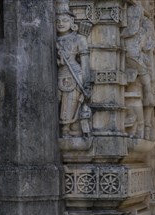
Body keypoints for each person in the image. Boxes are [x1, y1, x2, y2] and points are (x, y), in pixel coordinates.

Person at [56, 4, 91, 136]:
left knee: (70, 103)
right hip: (58, 73)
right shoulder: (52, 40)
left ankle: (67, 129)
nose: (60, 23)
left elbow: (85, 63)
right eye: (57, 21)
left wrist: (87, 83)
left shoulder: (79, 39)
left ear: (72, 22)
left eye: (64, 20)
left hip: (74, 75)